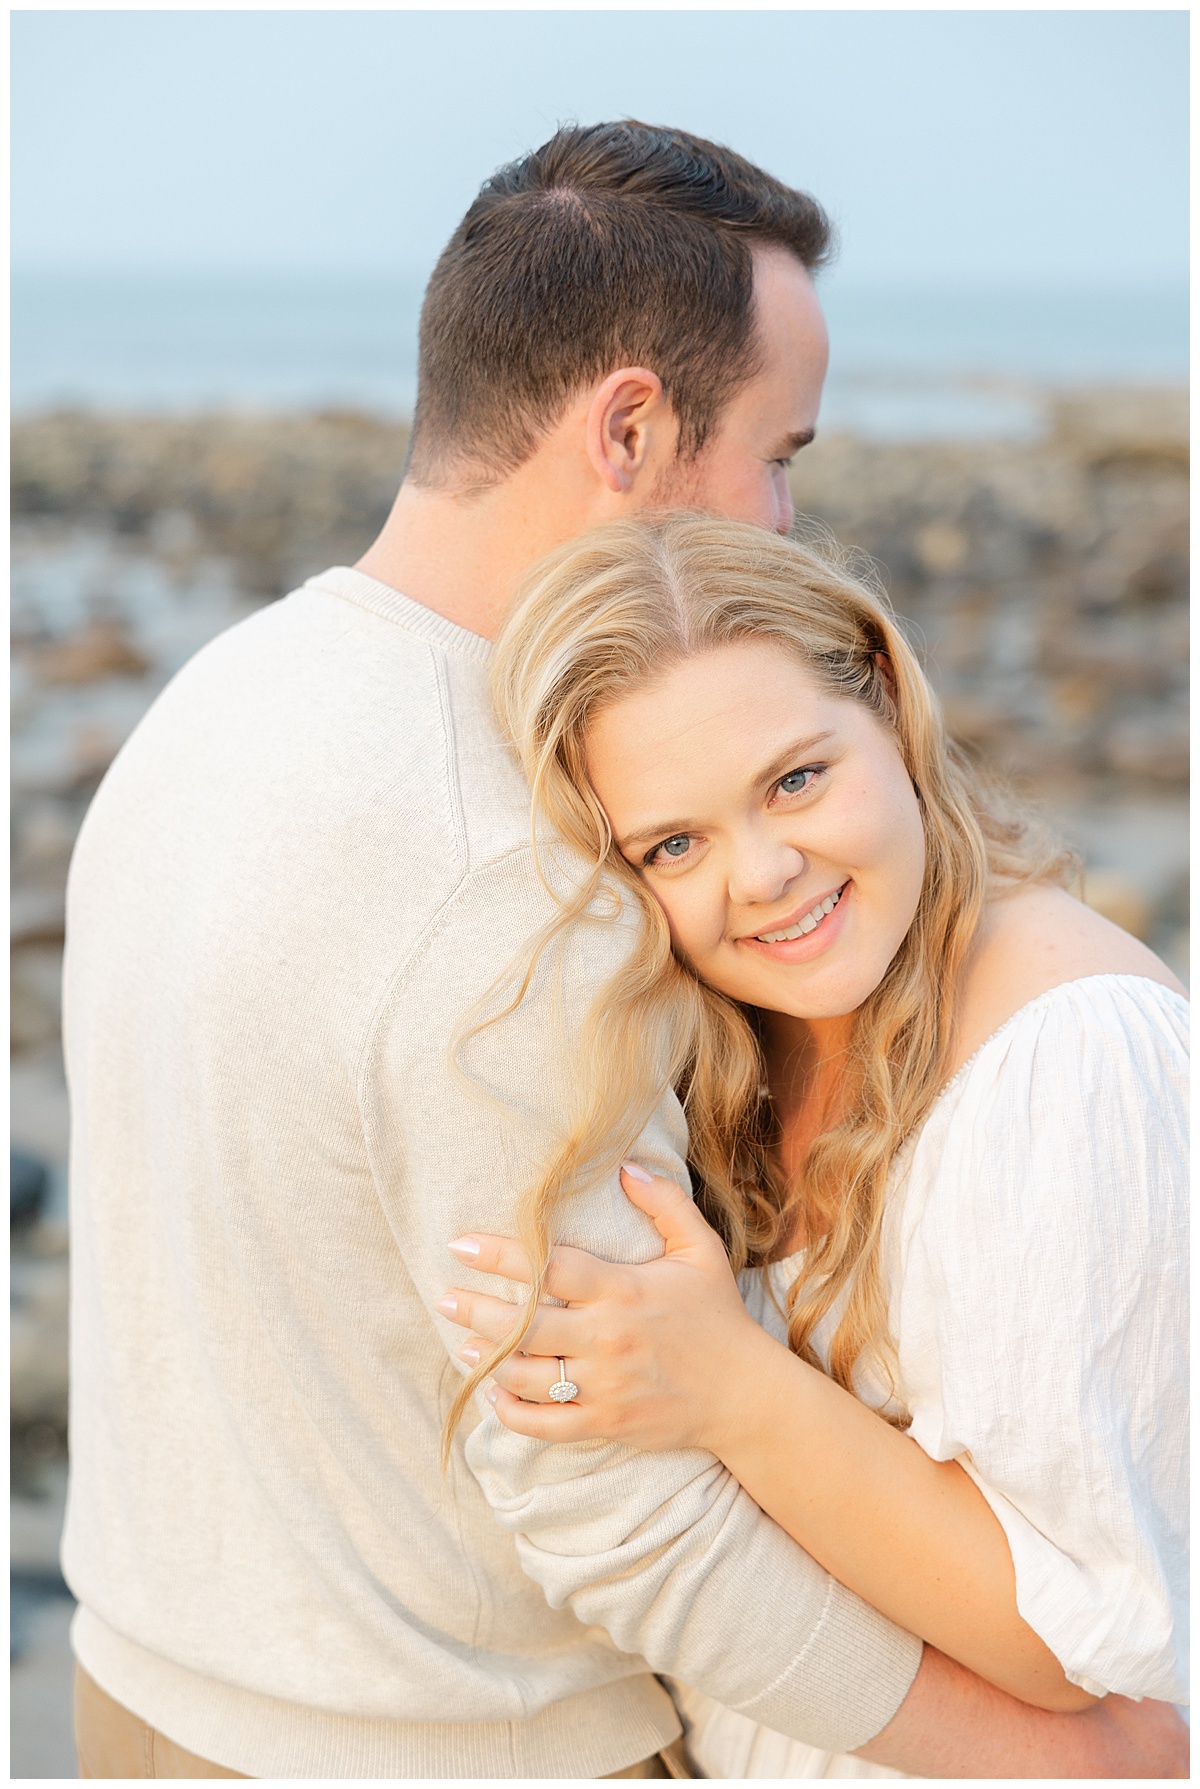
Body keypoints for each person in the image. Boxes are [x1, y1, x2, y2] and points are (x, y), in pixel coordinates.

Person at [61, 120, 1184, 1780]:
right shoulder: (523, 867)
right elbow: (620, 1502)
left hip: (142, 1678)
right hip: (442, 1739)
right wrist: (1065, 1753)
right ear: (634, 424)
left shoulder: (214, 699)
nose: (785, 516)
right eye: (779, 452)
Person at [435, 513, 1189, 1776]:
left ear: (889, 704)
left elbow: (1074, 1639)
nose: (768, 873)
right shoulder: (740, 1032)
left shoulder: (1070, 1050)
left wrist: (728, 1384)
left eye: (796, 780)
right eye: (674, 845)